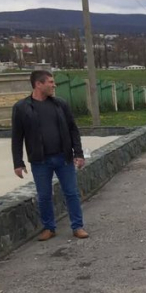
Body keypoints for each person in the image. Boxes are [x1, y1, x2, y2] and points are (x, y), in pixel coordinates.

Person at [11, 70, 89, 241]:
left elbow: (73, 130)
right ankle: (49, 228)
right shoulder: (21, 107)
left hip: (64, 158)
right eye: (51, 82)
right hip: (40, 161)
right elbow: (17, 137)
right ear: (38, 84)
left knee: (71, 193)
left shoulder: (60, 104)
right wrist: (18, 162)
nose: (54, 85)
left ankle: (77, 226)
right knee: (44, 195)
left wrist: (79, 153)